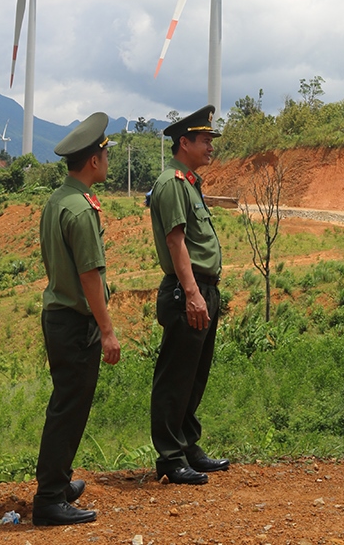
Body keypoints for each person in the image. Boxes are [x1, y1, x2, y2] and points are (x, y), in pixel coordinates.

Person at [32, 113, 121, 526]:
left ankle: (60, 482)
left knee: (66, 403)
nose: (107, 160)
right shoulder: (81, 211)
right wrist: (107, 331)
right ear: (92, 161)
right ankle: (50, 499)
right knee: (69, 408)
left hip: (56, 316)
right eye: (104, 154)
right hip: (74, 322)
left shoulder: (57, 201)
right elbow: (90, 276)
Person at [149, 105, 229, 485]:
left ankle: (187, 445)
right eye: (205, 140)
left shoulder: (189, 182)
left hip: (202, 290)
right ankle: (169, 456)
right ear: (184, 142)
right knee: (175, 376)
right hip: (188, 292)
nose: (211, 147)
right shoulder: (172, 183)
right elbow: (176, 241)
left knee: (195, 376)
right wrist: (193, 293)